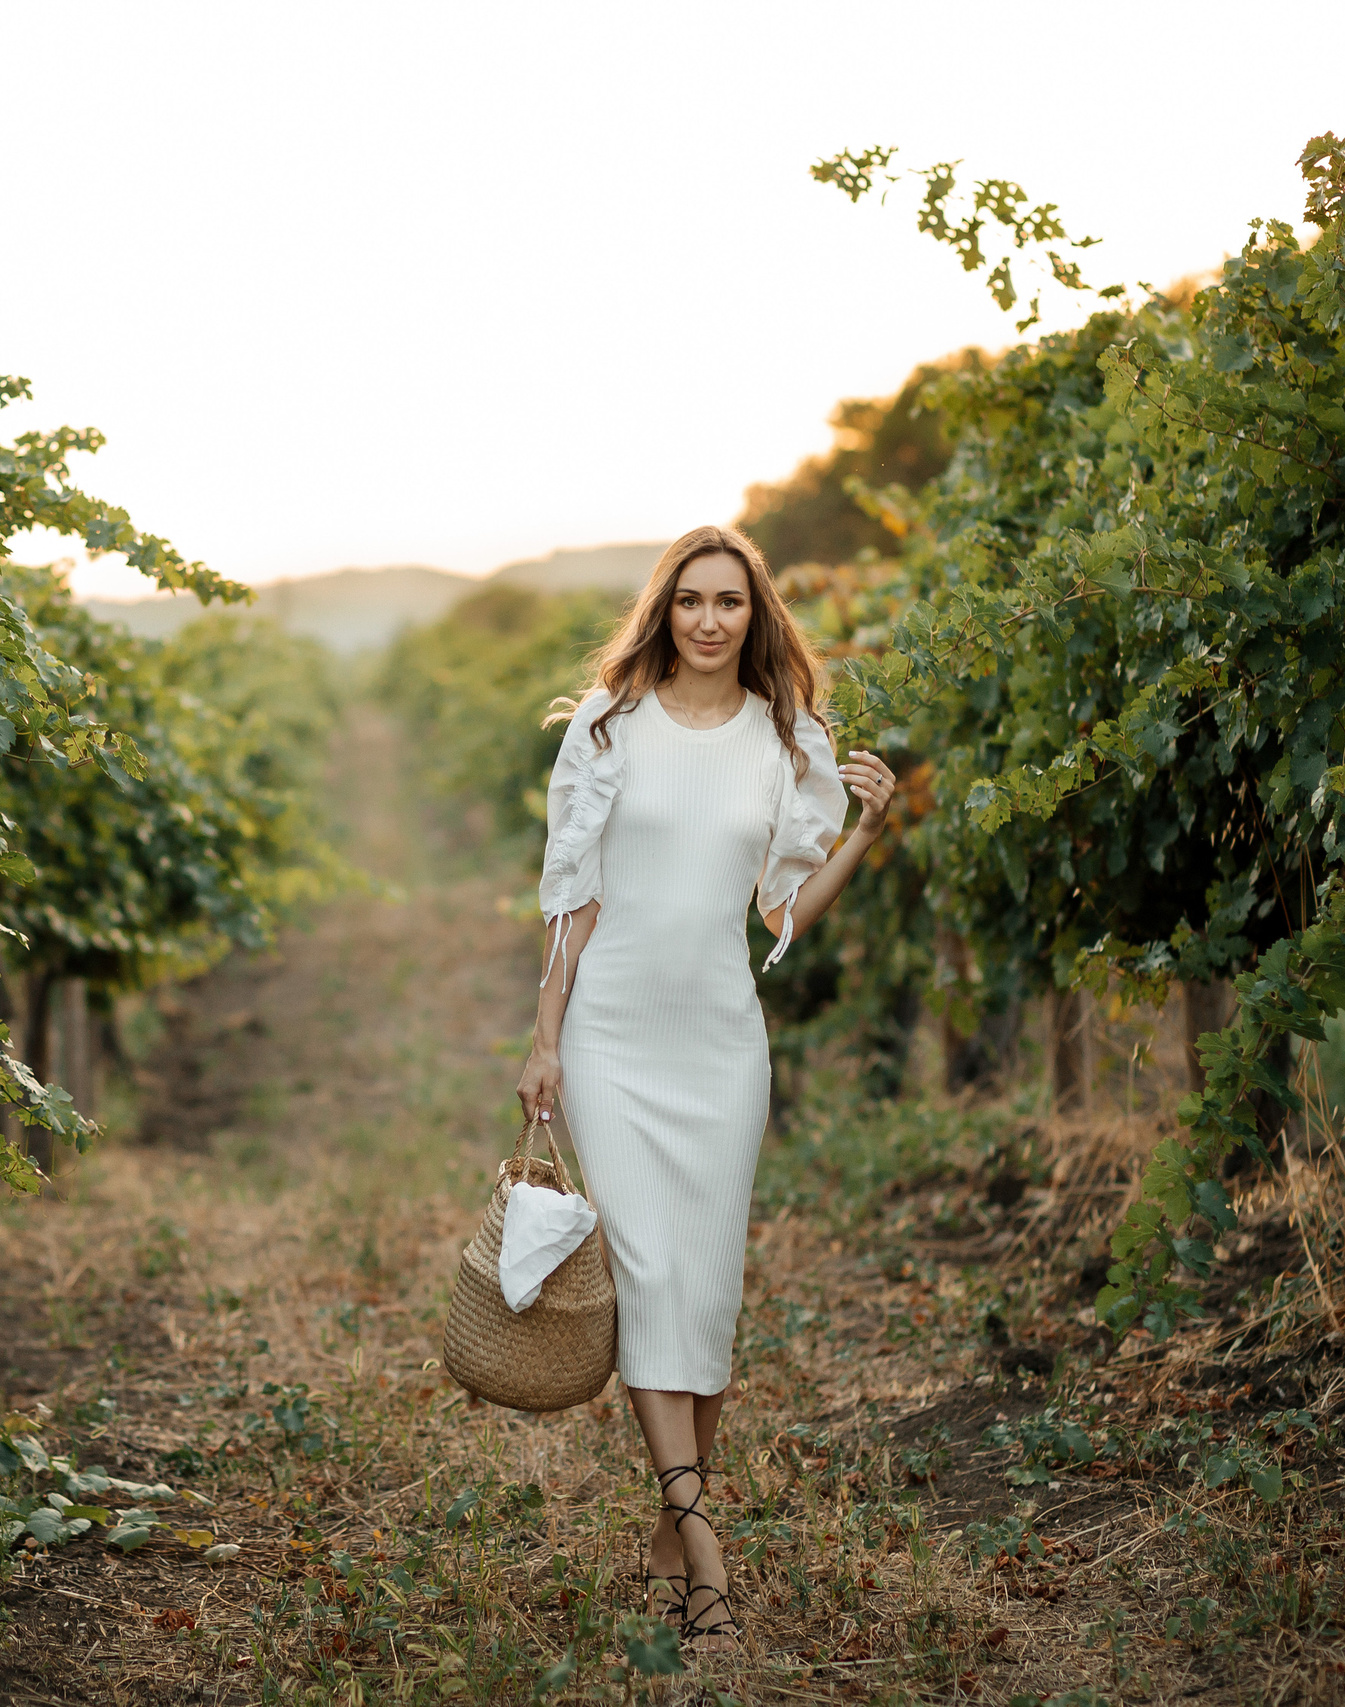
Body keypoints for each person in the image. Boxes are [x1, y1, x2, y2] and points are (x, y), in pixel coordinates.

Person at [515, 523, 895, 1657]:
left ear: (756, 615)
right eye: (690, 601)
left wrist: (868, 831)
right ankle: (705, 1549)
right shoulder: (608, 727)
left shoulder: (788, 742)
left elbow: (779, 916)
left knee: (707, 1290)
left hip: (722, 1045)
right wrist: (544, 1040)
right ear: (663, 612)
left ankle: (671, 1529)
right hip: (612, 1040)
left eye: (730, 601)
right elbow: (569, 901)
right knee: (647, 1275)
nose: (710, 619)